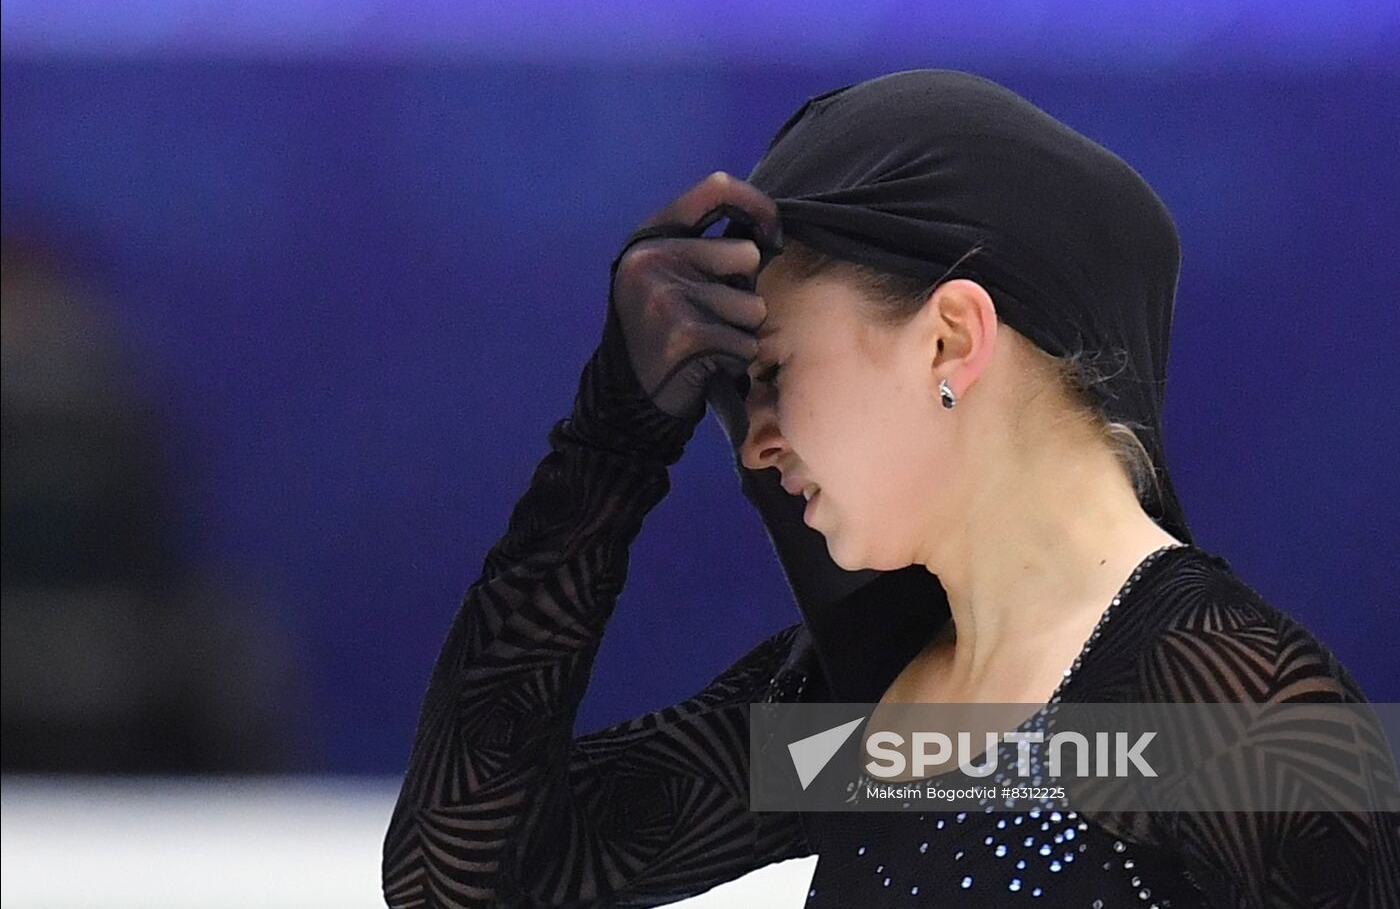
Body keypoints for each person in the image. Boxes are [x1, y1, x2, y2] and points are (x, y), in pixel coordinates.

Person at [382, 70, 1399, 907]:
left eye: (771, 375)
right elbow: (458, 875)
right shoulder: (875, 723)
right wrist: (611, 437)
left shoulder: (1234, 709)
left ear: (951, 339)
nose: (752, 447)